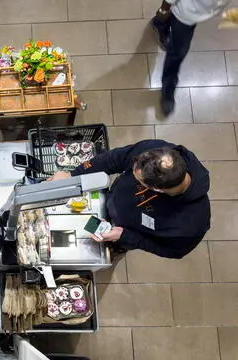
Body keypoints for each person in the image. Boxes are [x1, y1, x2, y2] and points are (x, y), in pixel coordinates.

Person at [48, 139, 210, 259]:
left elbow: (173, 251)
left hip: (125, 232)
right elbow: (113, 159)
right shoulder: (155, 150)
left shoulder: (192, 225)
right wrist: (73, 175)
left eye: (138, 180)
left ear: (156, 189)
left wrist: (125, 236)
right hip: (111, 200)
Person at [151, 0, 230, 115]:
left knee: (168, 18)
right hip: (186, 15)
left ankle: (160, 22)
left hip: (198, 11)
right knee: (177, 53)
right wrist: (165, 8)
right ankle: (168, 89)